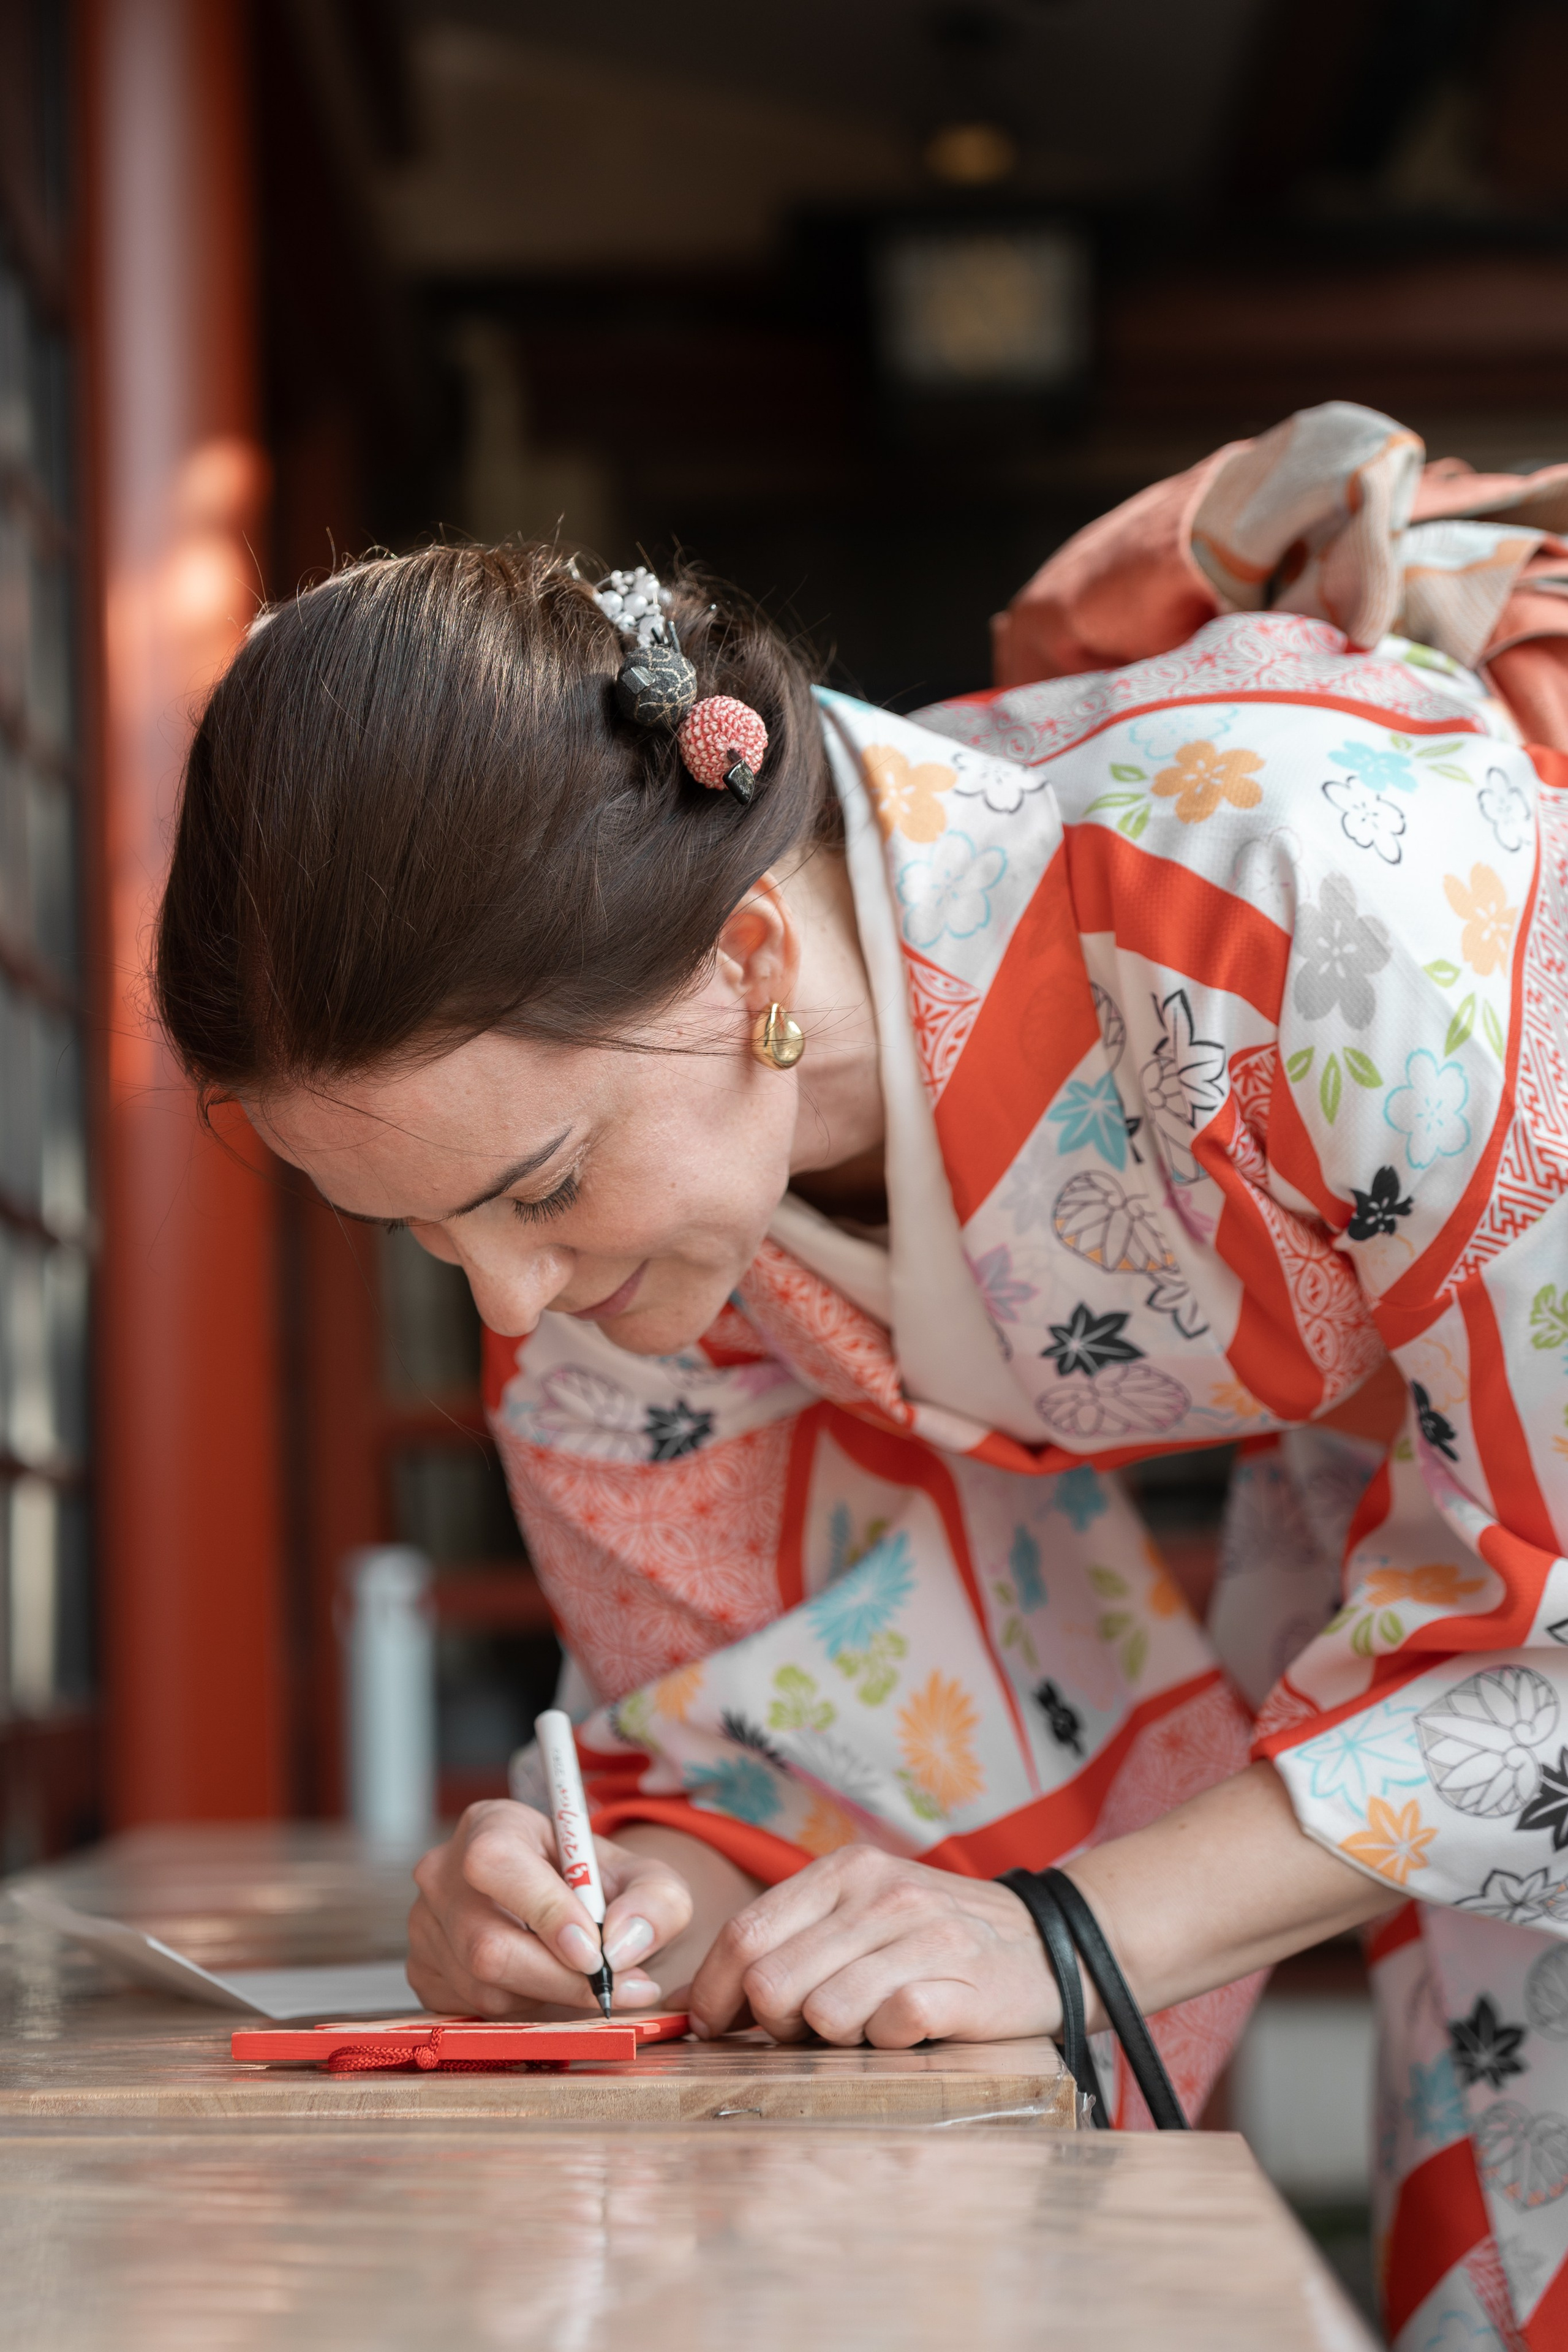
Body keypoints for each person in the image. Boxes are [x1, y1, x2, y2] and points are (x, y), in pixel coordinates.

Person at [155, 402, 1567, 2351]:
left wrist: (1071, 1929)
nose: (507, 1306)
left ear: (748, 966)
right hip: (1434, 1507)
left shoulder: (1297, 882)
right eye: (424, 1237)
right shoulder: (613, 1280)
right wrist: (629, 1901)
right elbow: (783, 1728)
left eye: (538, 1188)